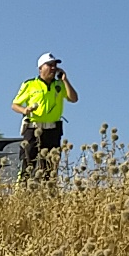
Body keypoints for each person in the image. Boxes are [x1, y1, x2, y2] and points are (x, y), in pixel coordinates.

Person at [12, 53, 77, 182]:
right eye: (50, 65)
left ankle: (48, 194)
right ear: (40, 68)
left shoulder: (59, 85)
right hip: (33, 129)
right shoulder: (30, 84)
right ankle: (22, 192)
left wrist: (64, 79)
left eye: (55, 66)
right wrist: (25, 110)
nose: (53, 68)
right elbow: (14, 105)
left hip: (52, 131)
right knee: (27, 163)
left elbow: (73, 98)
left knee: (50, 168)